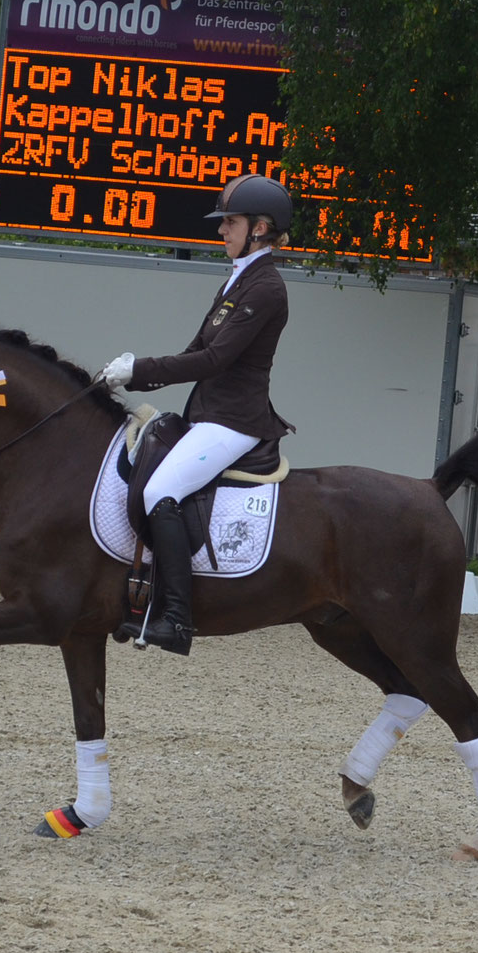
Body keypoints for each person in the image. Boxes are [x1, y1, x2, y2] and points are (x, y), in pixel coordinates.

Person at [98, 174, 296, 656]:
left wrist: (140, 368)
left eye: (231, 222)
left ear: (261, 228)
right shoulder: (237, 279)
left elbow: (214, 362)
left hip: (235, 421)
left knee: (162, 489)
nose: (222, 230)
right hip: (208, 413)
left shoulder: (266, 287)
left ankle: (176, 618)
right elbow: (196, 350)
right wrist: (133, 376)